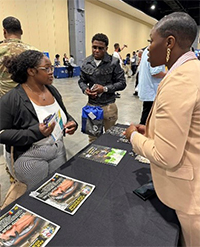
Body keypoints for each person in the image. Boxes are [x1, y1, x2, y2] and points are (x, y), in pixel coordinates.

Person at [125, 12, 200, 247]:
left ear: (169, 43)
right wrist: (152, 130)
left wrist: (134, 136)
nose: (147, 49)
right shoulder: (191, 70)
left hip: (191, 198)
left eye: (150, 41)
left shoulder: (179, 80)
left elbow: (165, 155)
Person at [0, 50, 78, 190]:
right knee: (36, 196)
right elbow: (2, 133)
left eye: (52, 68)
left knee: (59, 189)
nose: (51, 72)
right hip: (30, 159)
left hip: (57, 150)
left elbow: (62, 113)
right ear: (31, 71)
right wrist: (36, 132)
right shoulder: (12, 99)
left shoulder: (52, 90)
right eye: (46, 68)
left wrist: (71, 122)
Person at [78, 33, 126, 142]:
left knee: (110, 138)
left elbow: (122, 83)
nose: (96, 50)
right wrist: (86, 90)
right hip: (92, 106)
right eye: (94, 47)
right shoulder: (86, 62)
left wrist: (104, 89)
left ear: (106, 48)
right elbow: (82, 81)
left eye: (100, 48)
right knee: (93, 138)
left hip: (108, 106)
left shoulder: (114, 62)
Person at [0, 16, 38, 97]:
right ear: (21, 31)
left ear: (4, 31)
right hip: (27, 99)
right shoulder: (34, 51)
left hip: (3, 100)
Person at [138, 47, 166, 124]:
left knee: (146, 114)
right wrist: (169, 73)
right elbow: (156, 73)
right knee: (148, 118)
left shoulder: (147, 50)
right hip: (152, 91)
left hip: (149, 90)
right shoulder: (158, 50)